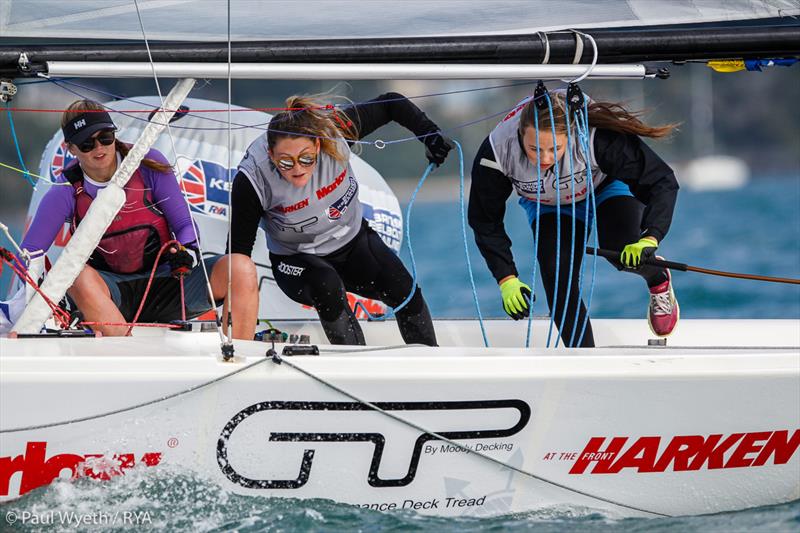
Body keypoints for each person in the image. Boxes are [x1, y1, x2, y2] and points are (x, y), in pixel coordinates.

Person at [229, 92, 452, 345]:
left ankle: (428, 367)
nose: (298, 169)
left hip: (353, 244)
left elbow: (391, 103)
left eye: (306, 158)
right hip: (296, 260)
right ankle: (354, 374)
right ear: (270, 155)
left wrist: (429, 134)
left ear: (318, 146)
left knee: (403, 288)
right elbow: (237, 257)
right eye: (285, 163)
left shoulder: (333, 130)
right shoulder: (252, 179)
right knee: (327, 284)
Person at [18, 99, 254, 338]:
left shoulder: (147, 164)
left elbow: (183, 224)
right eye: (87, 144)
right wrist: (34, 304)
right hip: (111, 294)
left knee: (241, 268)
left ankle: (239, 359)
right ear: (71, 148)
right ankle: (126, 354)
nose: (99, 148)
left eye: (105, 138)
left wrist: (187, 252)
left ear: (114, 134)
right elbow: (30, 253)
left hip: (167, 282)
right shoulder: (66, 189)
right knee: (76, 275)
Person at [468, 86, 680, 347]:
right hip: (550, 206)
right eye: (535, 149)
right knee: (558, 285)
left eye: (554, 149)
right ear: (520, 135)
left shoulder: (596, 138)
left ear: (569, 136)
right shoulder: (497, 152)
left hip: (604, 187)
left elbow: (662, 181)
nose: (544, 159)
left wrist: (650, 237)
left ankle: (658, 279)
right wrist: (507, 278)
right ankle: (585, 361)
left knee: (622, 251)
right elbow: (484, 220)